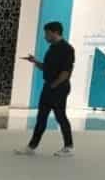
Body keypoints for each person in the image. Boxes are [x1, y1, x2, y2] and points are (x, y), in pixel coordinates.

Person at [15, 21, 75, 157]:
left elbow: (66, 71)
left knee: (60, 117)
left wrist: (55, 84)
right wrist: (35, 61)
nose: (45, 36)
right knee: (41, 117)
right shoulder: (52, 48)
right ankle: (31, 146)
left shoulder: (67, 49)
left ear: (55, 32)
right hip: (48, 86)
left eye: (47, 33)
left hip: (59, 88)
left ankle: (69, 146)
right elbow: (47, 68)